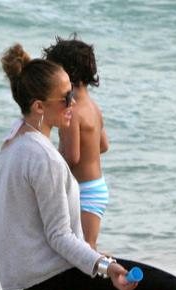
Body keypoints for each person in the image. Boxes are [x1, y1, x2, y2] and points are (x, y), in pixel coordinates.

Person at [0, 44, 176, 290]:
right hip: (52, 283)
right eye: (65, 98)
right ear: (39, 106)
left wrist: (99, 260)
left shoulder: (13, 140)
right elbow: (59, 236)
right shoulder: (44, 158)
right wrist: (107, 267)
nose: (73, 104)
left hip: (33, 283)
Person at [43, 35, 109, 250]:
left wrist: (50, 160)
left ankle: (98, 282)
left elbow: (72, 157)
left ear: (66, 77)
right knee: (87, 247)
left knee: (84, 249)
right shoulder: (94, 107)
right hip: (96, 187)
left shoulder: (72, 113)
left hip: (85, 192)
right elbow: (103, 146)